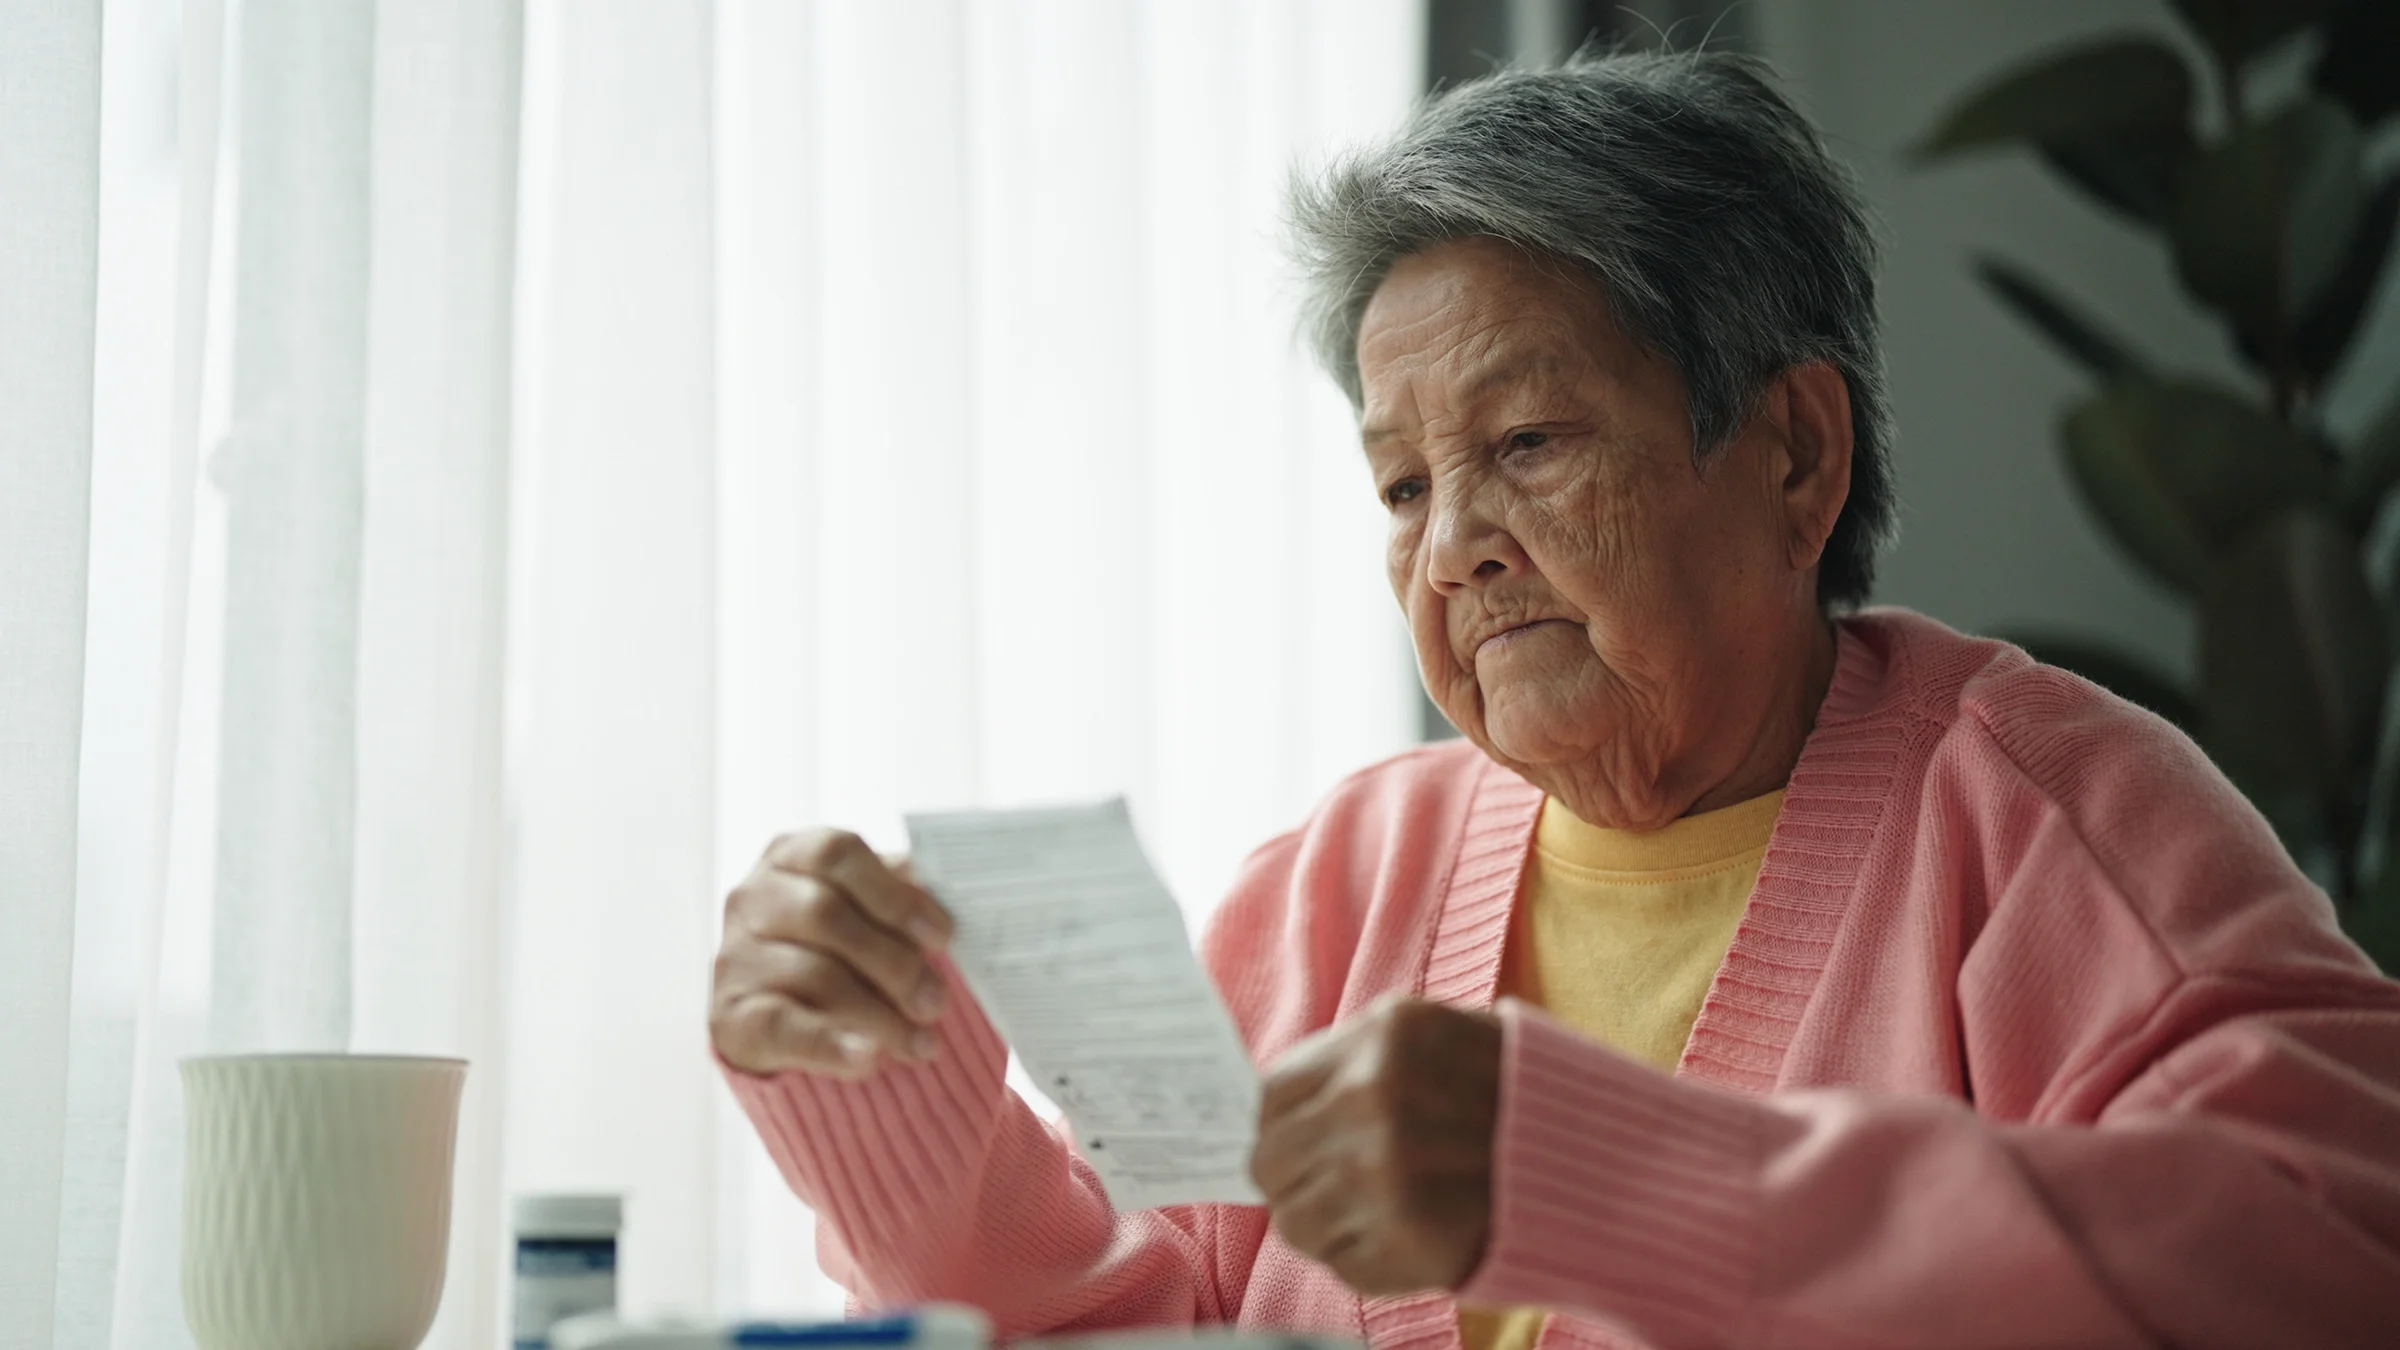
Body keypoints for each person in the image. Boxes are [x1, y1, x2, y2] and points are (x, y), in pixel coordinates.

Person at [706, 51, 2400, 1350]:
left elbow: (2343, 1246)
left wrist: (1628, 1182)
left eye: (1526, 443)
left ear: (1795, 455)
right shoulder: (1338, 879)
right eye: (1400, 484)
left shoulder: (2048, 815)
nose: (1452, 545)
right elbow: (1145, 1321)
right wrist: (897, 1099)